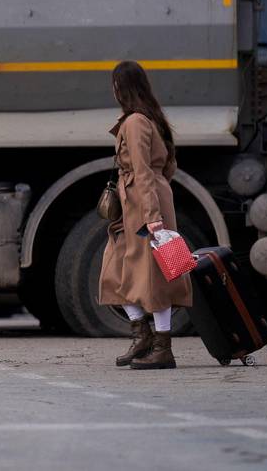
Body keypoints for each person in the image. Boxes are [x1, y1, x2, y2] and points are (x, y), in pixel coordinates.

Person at [99, 60, 192, 370]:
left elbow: (142, 169)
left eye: (114, 85)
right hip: (139, 201)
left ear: (121, 88)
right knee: (115, 271)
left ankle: (163, 348)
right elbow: (169, 166)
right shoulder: (151, 118)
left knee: (154, 276)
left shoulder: (136, 121)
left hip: (143, 204)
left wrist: (152, 215)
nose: (112, 91)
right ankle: (143, 336)